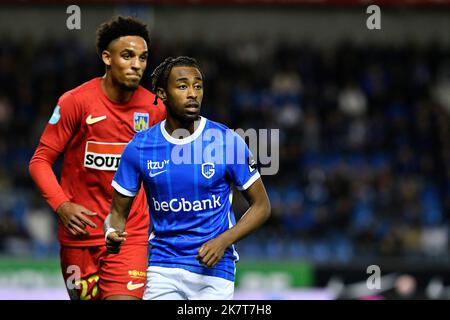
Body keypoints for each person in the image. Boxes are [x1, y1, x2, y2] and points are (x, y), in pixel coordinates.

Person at [105, 56, 271, 300]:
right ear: (162, 93)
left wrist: (223, 241)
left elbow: (262, 206)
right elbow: (117, 213)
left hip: (214, 272)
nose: (193, 93)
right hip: (163, 268)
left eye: (198, 86)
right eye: (182, 86)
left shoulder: (226, 141)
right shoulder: (139, 147)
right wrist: (111, 231)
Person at [28, 16, 166, 300]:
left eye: (142, 57)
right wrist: (61, 205)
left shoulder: (155, 109)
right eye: (127, 56)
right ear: (107, 57)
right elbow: (40, 161)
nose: (137, 64)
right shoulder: (75, 102)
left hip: (128, 237)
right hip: (79, 238)